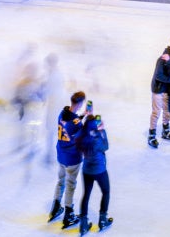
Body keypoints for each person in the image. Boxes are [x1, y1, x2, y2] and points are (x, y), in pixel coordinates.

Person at [50, 91, 87, 228]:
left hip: (61, 155)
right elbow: (82, 133)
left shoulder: (62, 113)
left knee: (61, 181)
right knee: (71, 184)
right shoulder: (76, 123)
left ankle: (55, 206)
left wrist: (82, 116)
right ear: (80, 103)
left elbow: (73, 121)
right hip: (73, 158)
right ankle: (68, 214)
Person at [75, 105, 112, 233]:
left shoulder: (81, 136)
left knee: (86, 194)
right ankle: (102, 220)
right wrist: (102, 131)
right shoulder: (97, 138)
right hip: (99, 170)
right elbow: (106, 146)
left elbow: (84, 127)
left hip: (86, 171)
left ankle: (83, 224)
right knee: (106, 192)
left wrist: (88, 116)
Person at [148, 38, 170, 148]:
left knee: (167, 110)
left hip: (167, 89)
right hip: (158, 89)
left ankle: (165, 131)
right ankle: (151, 136)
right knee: (156, 112)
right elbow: (159, 76)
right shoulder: (163, 59)